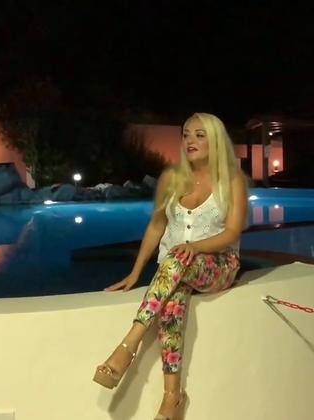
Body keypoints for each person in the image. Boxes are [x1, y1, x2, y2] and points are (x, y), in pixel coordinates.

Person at [93, 112, 248, 420]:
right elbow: (156, 226)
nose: (190, 140)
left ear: (216, 141)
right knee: (173, 301)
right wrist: (136, 272)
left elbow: (232, 232)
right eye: (186, 134)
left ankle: (129, 344)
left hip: (218, 264)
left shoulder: (232, 181)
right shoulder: (171, 178)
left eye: (200, 135)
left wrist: (196, 247)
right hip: (176, 267)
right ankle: (172, 398)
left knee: (175, 258)